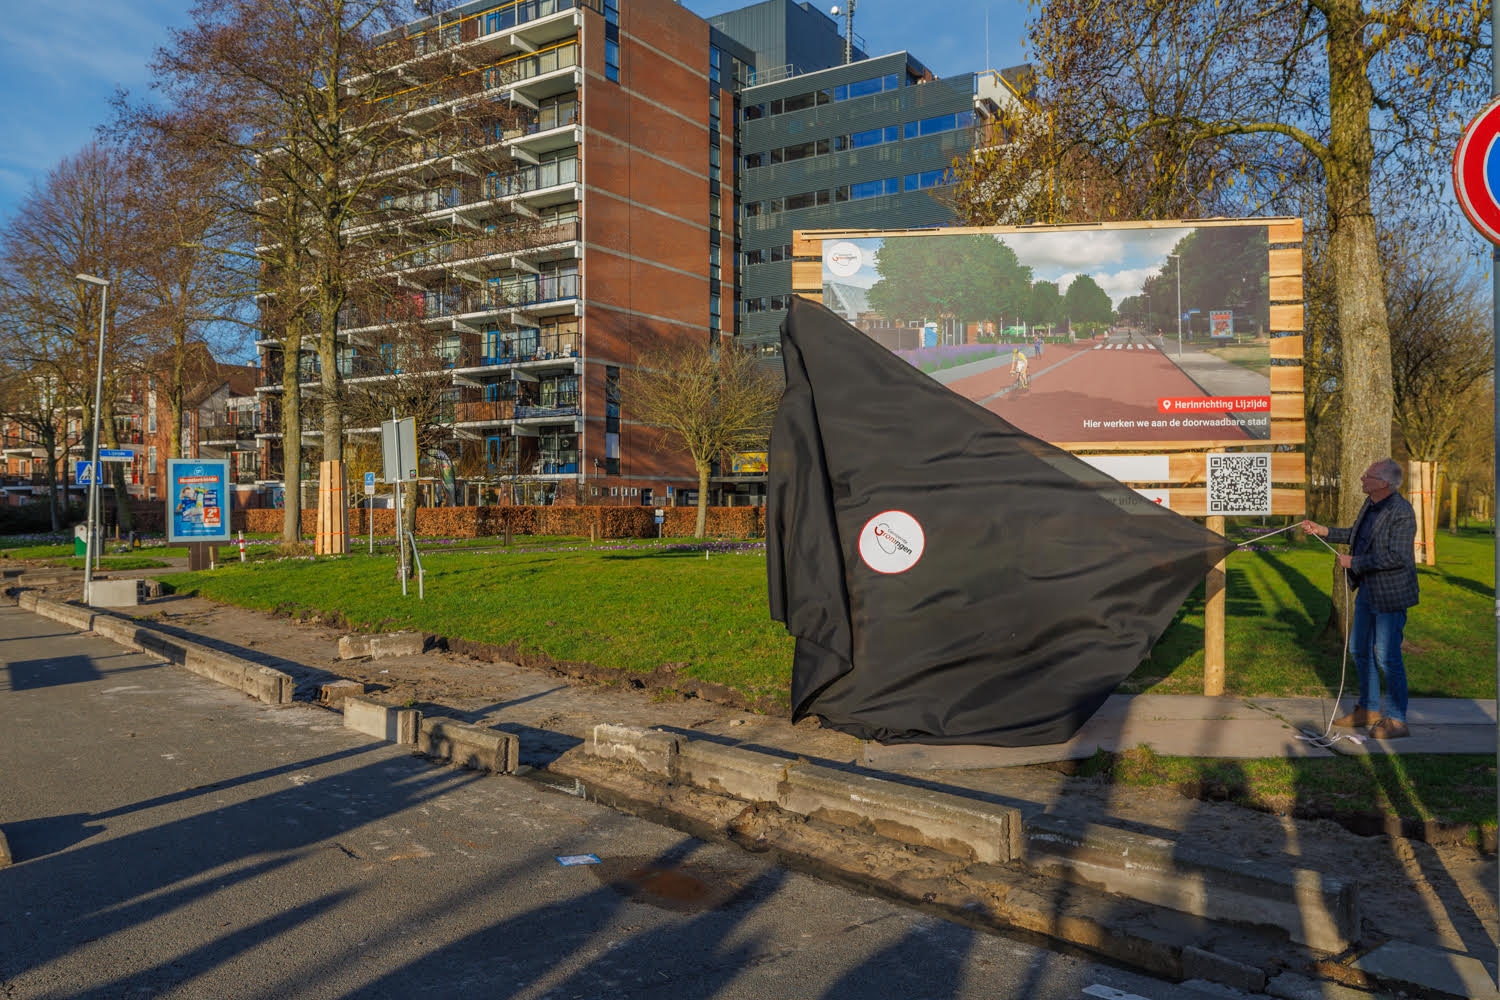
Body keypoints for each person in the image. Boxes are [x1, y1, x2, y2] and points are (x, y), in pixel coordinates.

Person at [1300, 458, 1419, 740]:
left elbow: (1398, 557)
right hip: (1367, 590)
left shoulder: (1401, 512)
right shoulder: (1371, 505)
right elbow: (1356, 535)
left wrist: (1355, 562)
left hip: (1390, 594)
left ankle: (1398, 720)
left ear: (1384, 483)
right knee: (1358, 650)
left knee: (1387, 657)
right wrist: (1323, 530)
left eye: (1368, 475)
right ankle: (1368, 709)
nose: (1362, 478)